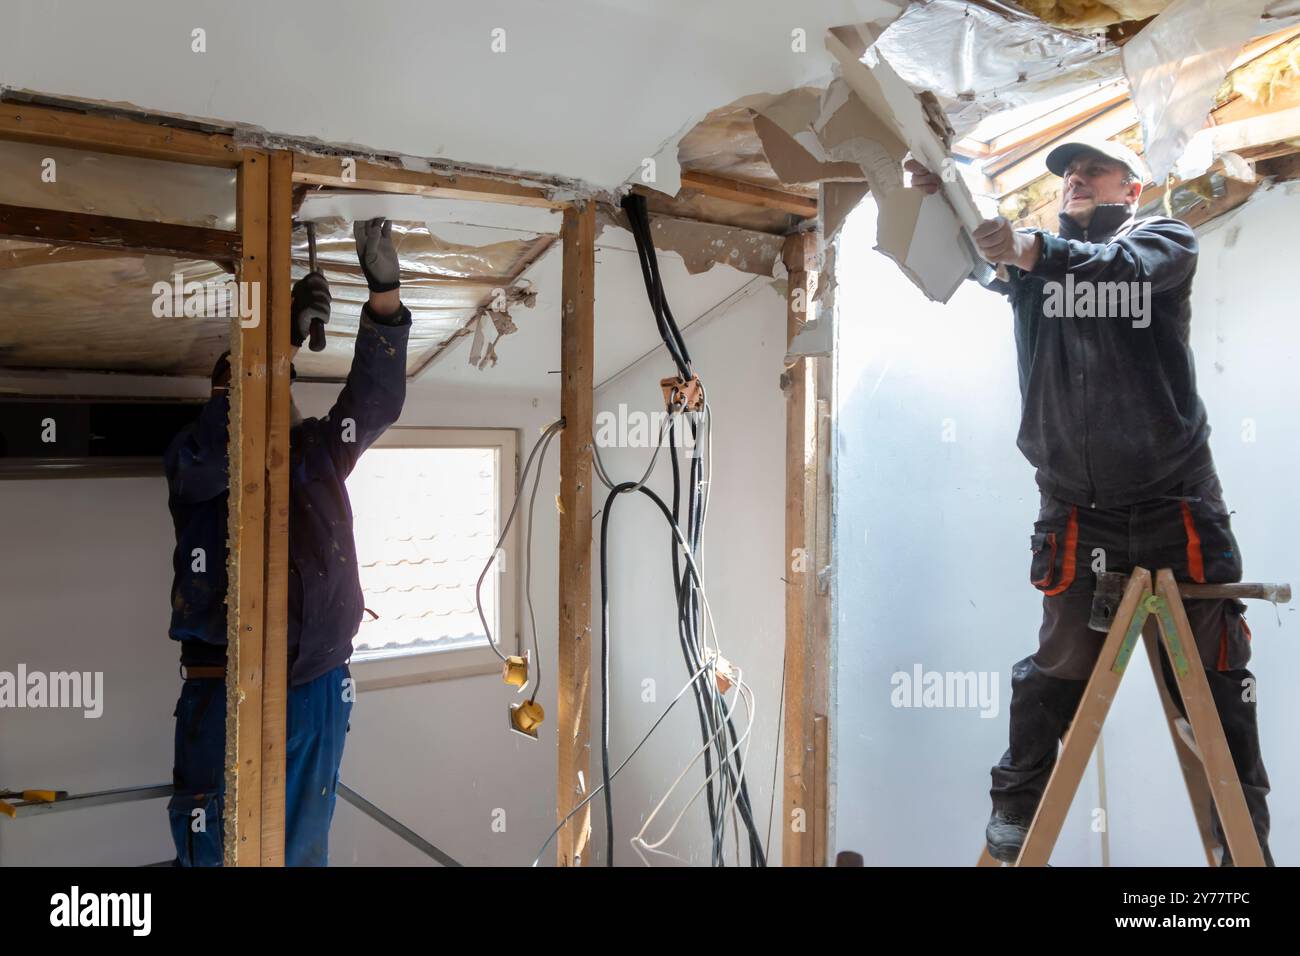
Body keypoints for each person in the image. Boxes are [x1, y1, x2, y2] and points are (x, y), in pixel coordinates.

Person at [907, 139, 1272, 865]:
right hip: (1078, 511)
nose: (1075, 177)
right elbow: (967, 257)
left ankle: (1240, 841)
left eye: (1093, 170)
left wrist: (1031, 247)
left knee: (1215, 676)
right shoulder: (1029, 266)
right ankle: (1013, 812)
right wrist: (932, 194)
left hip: (1177, 506)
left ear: (1130, 189)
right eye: (1068, 172)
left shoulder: (1162, 240)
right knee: (1058, 665)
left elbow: (1120, 273)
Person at [163, 218, 409, 865]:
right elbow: (229, 438)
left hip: (323, 684)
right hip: (228, 688)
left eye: (280, 386)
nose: (275, 396)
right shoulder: (196, 460)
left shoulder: (320, 454)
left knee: (301, 852)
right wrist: (280, 344)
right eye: (252, 384)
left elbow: (376, 402)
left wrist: (384, 294)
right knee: (219, 851)